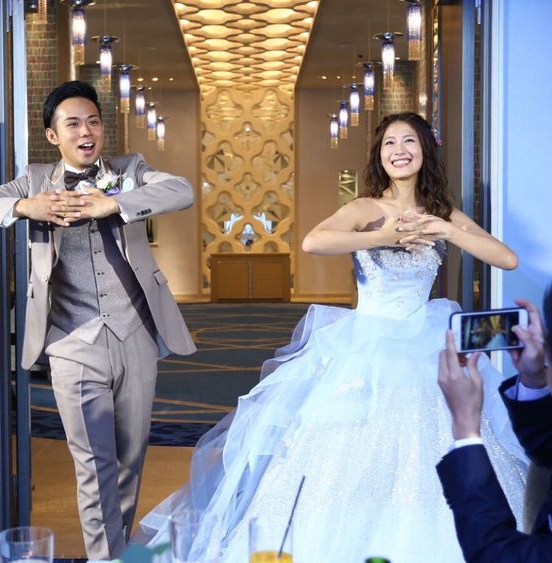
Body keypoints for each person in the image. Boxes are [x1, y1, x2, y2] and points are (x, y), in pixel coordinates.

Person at [135, 112, 527, 562]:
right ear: (380, 156)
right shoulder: (364, 208)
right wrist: (382, 236)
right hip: (367, 345)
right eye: (390, 144)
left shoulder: (443, 215)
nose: (399, 151)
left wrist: (446, 229)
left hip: (425, 341)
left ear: (425, 151)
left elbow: (507, 259)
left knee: (430, 445)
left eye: (409, 141)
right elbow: (314, 242)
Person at [0, 80, 195, 560]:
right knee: (93, 464)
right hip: (71, 343)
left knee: (129, 460)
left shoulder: (129, 171)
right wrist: (24, 207)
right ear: (52, 135)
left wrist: (115, 203)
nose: (86, 132)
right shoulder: (34, 181)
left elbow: (181, 190)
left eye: (93, 122)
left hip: (135, 335)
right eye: (73, 124)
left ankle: (115, 553)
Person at [436, 267, 552, 561]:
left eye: (551, 360)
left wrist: (466, 428)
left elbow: (496, 554)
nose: (544, 354)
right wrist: (535, 378)